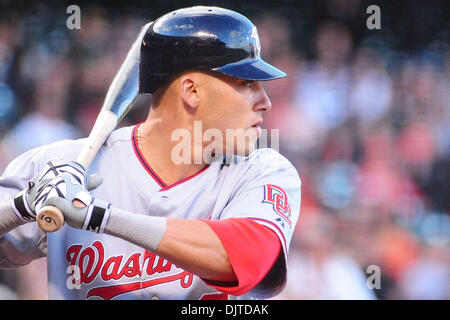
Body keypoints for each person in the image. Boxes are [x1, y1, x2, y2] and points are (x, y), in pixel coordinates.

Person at [0, 6, 301, 300]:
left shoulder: (263, 171)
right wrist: (21, 207)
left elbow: (249, 256)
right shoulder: (65, 165)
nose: (265, 102)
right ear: (192, 91)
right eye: (247, 83)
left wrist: (98, 216)